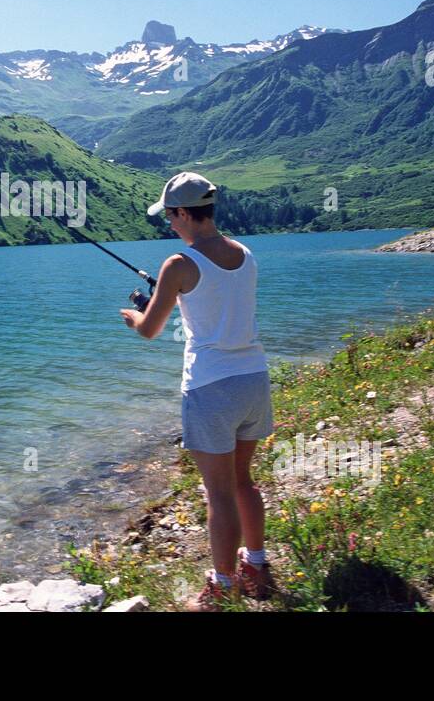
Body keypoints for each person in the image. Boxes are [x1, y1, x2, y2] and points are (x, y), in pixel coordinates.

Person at [119, 171, 275, 611]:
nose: (169, 224)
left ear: (186, 213)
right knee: (243, 481)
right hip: (254, 379)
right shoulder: (245, 254)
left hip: (211, 386)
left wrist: (134, 316)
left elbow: (151, 330)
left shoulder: (178, 264)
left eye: (170, 215)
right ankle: (256, 566)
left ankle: (223, 585)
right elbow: (217, 303)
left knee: (218, 493)